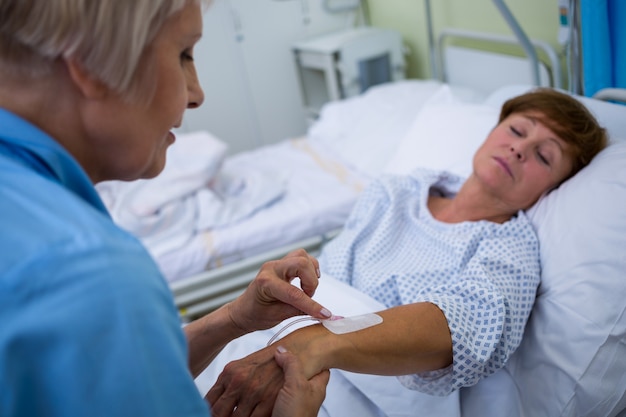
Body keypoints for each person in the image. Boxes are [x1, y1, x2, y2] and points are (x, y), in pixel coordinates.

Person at [0, 0, 330, 416]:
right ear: (89, 61)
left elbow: (112, 381)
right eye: (183, 54)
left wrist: (232, 319)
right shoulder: (84, 270)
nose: (197, 94)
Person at [205, 88, 608, 417]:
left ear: (552, 189)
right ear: (490, 133)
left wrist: (309, 349)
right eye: (519, 130)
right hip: (267, 344)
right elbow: (331, 279)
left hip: (351, 390)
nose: (521, 149)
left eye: (544, 156)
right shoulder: (398, 190)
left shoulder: (510, 250)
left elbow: (467, 327)